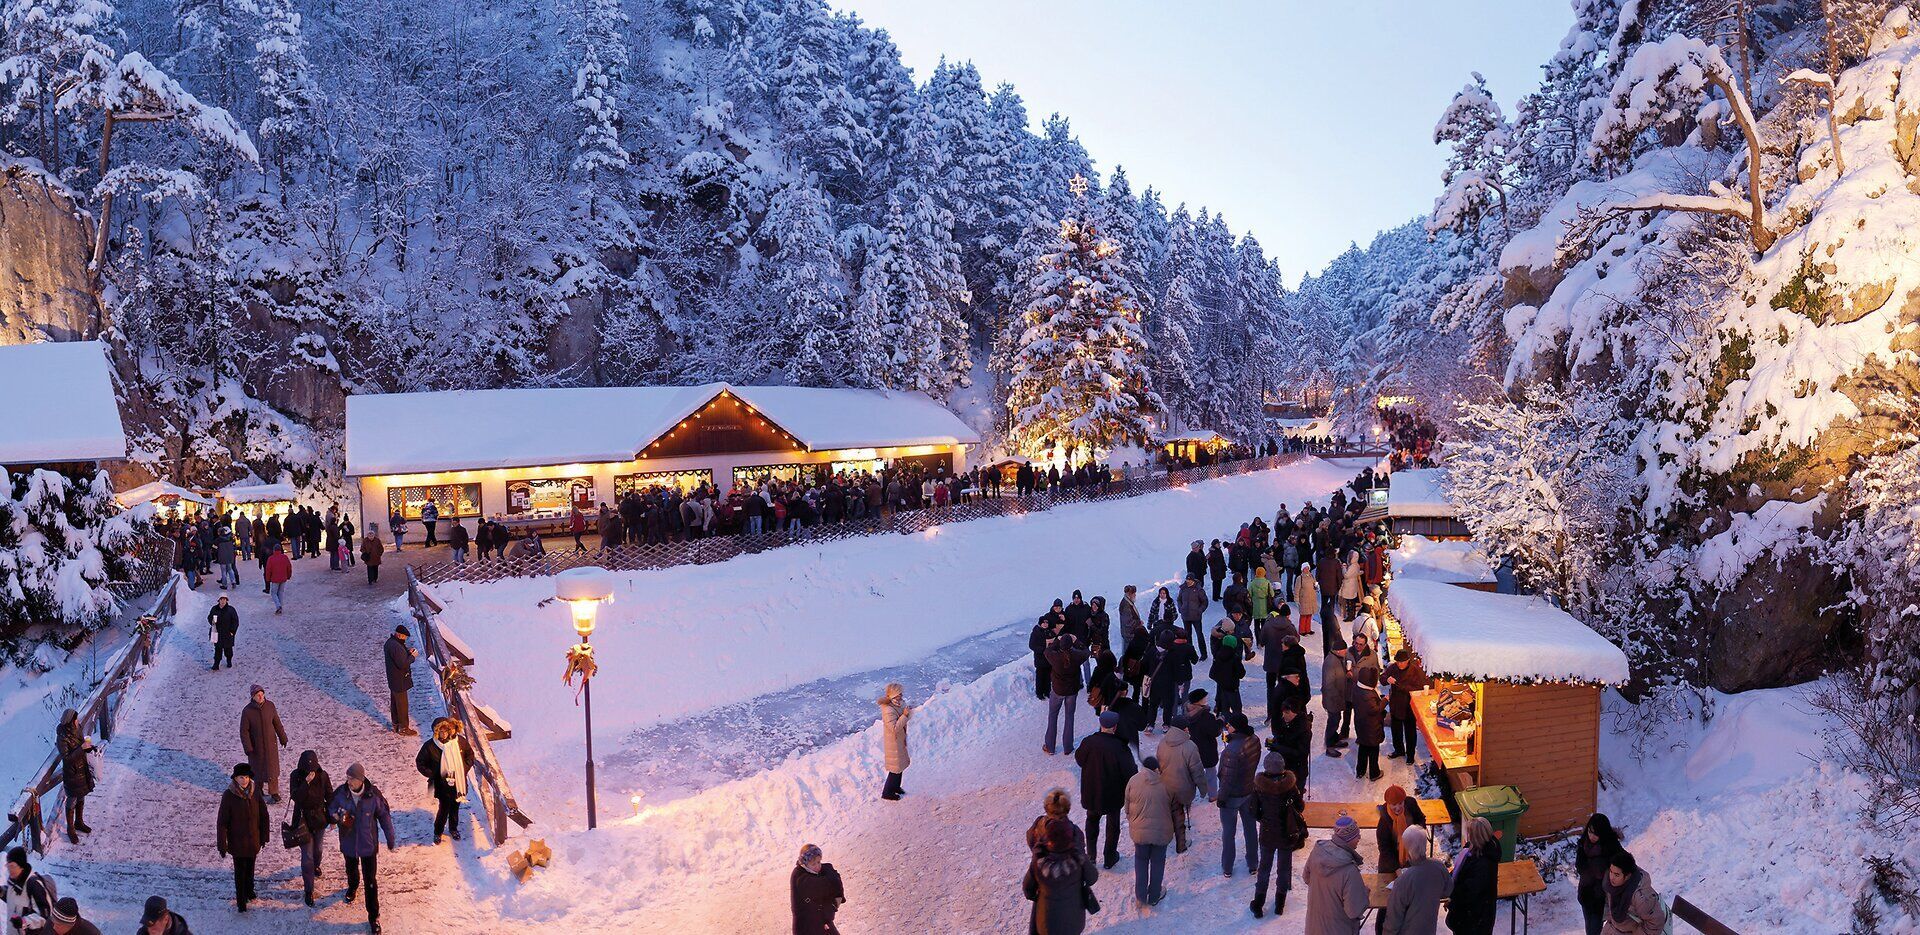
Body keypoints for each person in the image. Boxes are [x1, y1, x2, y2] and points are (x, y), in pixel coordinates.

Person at [329, 763, 397, 933]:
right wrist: (339, 816)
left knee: (370, 881)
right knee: (351, 870)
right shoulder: (341, 793)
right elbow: (330, 809)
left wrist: (390, 837)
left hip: (368, 845)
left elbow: (384, 816)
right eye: (347, 778)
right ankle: (353, 887)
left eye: (351, 778)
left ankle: (374, 917)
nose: (348, 781)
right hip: (349, 843)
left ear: (360, 780)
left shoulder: (373, 795)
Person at [1073, 710, 1136, 870]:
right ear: (1115, 727)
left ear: (1101, 724)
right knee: (1113, 825)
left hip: (1092, 791)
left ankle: (1091, 856)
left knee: (1091, 821)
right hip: (1113, 794)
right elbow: (1131, 772)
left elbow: (1079, 759)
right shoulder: (1119, 747)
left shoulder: (1089, 742)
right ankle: (1109, 857)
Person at [1250, 754, 1305, 919]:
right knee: (1283, 869)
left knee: (1264, 869)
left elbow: (1254, 811)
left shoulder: (1259, 787)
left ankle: (1258, 904)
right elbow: (1300, 807)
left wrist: (1264, 819)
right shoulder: (1290, 786)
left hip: (1267, 834)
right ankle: (1280, 904)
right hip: (1286, 834)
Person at [1023, 819, 1096, 935]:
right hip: (1074, 919)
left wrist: (1039, 897)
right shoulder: (1079, 858)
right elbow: (1092, 878)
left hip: (1047, 923)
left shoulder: (1039, 861)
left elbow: (1028, 889)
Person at [215, 763, 269, 912]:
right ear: (235, 779)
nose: (244, 780)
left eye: (246, 777)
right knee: (240, 872)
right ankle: (241, 901)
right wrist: (222, 844)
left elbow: (263, 815)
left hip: (253, 840)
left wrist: (264, 836)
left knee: (250, 868)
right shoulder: (229, 795)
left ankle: (249, 891)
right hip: (237, 842)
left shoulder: (255, 791)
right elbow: (222, 822)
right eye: (241, 777)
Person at [1304, 815, 1368, 935]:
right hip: (1338, 929)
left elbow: (1306, 877)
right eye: (1356, 835)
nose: (1359, 837)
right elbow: (1354, 911)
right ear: (1348, 839)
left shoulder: (1317, 853)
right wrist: (1364, 892)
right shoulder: (1349, 870)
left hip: (1315, 927)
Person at [1124, 755, 1175, 907]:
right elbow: (1173, 808)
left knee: (1141, 862)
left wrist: (1133, 822)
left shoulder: (1133, 781)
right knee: (1158, 863)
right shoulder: (1166, 784)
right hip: (1161, 832)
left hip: (1140, 833)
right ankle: (1154, 895)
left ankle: (1140, 897)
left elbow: (1127, 807)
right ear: (1156, 769)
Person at [1215, 713, 1260, 878]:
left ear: (1237, 727)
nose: (1227, 726)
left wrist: (1221, 798)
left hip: (1232, 797)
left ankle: (1227, 866)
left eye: (1230, 724)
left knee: (1228, 833)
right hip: (1249, 790)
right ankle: (1253, 863)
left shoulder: (1231, 752)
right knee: (1250, 828)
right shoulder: (1254, 739)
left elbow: (1226, 779)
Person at [415, 718, 473, 843]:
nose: (444, 733)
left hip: (458, 783)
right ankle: (438, 831)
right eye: (441, 731)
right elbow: (420, 762)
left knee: (455, 808)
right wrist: (433, 774)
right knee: (444, 809)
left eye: (446, 730)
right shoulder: (430, 746)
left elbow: (470, 755)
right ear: (436, 732)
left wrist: (463, 769)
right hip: (442, 785)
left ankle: (453, 828)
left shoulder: (459, 742)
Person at [1154, 714, 1205, 854]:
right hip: (1183, 788)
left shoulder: (1162, 743)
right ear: (1184, 729)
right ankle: (1181, 844)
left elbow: (1159, 765)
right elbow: (1197, 771)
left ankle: (1168, 835)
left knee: (1171, 812)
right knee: (1180, 816)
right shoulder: (1190, 746)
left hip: (1166, 786)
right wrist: (1203, 788)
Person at [1382, 826, 1446, 935]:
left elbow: (1393, 918)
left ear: (1407, 849)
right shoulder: (1438, 867)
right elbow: (1447, 890)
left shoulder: (1403, 880)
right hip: (1428, 929)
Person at [289, 750, 333, 906]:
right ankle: (308, 889)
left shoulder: (323, 775)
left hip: (319, 819)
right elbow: (296, 797)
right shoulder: (295, 776)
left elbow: (330, 797)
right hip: (303, 820)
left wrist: (332, 818)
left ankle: (316, 865)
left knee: (318, 849)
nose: (310, 772)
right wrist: (306, 783)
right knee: (307, 855)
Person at [1446, 817, 1501, 935]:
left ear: (1475, 837)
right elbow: (1461, 871)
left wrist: (1453, 899)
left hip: (1474, 920)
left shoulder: (1483, 864)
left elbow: (1468, 892)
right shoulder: (1474, 851)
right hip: (1474, 917)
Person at [1575, 814, 1624, 935]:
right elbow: (1580, 867)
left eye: (1596, 834)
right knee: (1590, 928)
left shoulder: (1611, 847)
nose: (1591, 836)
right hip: (1586, 893)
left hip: (1601, 898)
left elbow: (1627, 864)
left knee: (1594, 931)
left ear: (1603, 833)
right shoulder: (1583, 844)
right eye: (1590, 832)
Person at [239, 685, 288, 803]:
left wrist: (283, 737)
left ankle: (274, 792)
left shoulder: (270, 706)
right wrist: (248, 748)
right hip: (256, 747)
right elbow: (244, 731)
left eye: (262, 694)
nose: (261, 697)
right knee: (257, 770)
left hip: (271, 745)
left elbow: (277, 723)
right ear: (253, 697)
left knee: (272, 770)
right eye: (258, 695)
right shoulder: (247, 711)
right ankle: (258, 790)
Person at [1043, 633, 1090, 755]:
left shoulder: (1055, 657)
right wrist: (1077, 641)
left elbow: (1047, 651)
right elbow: (1086, 652)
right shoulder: (1077, 656)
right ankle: (1068, 747)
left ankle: (1050, 747)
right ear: (1071, 645)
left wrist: (1057, 641)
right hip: (1072, 691)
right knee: (1069, 717)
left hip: (1058, 690)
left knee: (1053, 716)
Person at [1601, 851, 1668, 935]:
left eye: (1616, 875)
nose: (1611, 877)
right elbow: (1609, 905)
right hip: (1612, 929)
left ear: (1627, 876)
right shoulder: (1612, 886)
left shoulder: (1641, 898)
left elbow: (1656, 922)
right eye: (1611, 871)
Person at [55, 710, 93, 844]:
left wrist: (88, 748)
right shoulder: (62, 737)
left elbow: (81, 746)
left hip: (82, 768)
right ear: (71, 721)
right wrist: (81, 748)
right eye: (76, 720)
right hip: (72, 772)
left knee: (82, 795)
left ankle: (79, 822)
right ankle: (70, 829)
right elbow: (66, 758)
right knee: (72, 799)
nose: (78, 721)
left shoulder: (77, 729)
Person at [1386, 649, 1429, 763]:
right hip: (1395, 704)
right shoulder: (1393, 668)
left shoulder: (1415, 670)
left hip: (1409, 706)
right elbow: (1382, 678)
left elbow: (1418, 688)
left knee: (1410, 732)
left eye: (1402, 662)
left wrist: (1398, 685)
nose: (1400, 664)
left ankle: (1410, 755)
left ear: (1408, 660)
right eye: (1398, 662)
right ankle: (1398, 750)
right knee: (1396, 730)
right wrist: (1386, 679)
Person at [791, 843, 844, 934]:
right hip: (806, 927)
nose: (817, 866)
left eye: (819, 862)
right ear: (805, 864)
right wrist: (833, 877)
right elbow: (822, 886)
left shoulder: (817, 871)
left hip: (823, 921)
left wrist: (834, 905)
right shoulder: (800, 877)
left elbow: (837, 888)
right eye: (813, 864)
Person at [1376, 785, 1430, 874]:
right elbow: (1384, 848)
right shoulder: (1384, 821)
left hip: (1412, 852)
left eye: (1400, 803)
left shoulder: (1411, 804)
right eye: (1394, 805)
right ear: (1388, 804)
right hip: (1392, 857)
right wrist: (1396, 868)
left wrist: (1418, 834)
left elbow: (1421, 818)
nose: (1398, 808)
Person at [1025, 788, 1088, 859]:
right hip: (1067, 864)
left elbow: (1030, 839)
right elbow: (1080, 852)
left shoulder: (1039, 823)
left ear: (1046, 808)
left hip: (1043, 863)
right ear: (1067, 809)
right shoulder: (1074, 830)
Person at [5, 847, 56, 934]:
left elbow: (45, 916)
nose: (9, 869)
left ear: (21, 866)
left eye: (12, 866)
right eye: (8, 866)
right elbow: (17, 901)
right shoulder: (14, 882)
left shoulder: (34, 885)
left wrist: (24, 921)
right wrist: (2, 892)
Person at [1351, 668, 1387, 782]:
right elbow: (1375, 710)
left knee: (1363, 747)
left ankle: (1360, 771)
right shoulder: (1368, 695)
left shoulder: (1358, 689)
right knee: (1373, 750)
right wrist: (1385, 700)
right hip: (1371, 727)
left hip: (1361, 724)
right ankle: (1374, 773)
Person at [877, 683, 911, 801]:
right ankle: (887, 793)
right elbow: (894, 728)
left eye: (901, 693)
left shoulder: (897, 704)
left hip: (899, 741)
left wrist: (906, 713)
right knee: (895, 769)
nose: (901, 696)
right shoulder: (888, 710)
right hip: (894, 743)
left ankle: (895, 787)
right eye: (899, 694)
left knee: (899, 767)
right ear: (893, 695)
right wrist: (905, 715)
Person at [384, 625, 418, 736]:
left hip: (393, 679)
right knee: (402, 705)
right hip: (400, 680)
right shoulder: (396, 646)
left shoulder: (390, 643)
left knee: (395, 702)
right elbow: (402, 664)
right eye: (404, 637)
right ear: (399, 635)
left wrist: (407, 652)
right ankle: (403, 728)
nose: (405, 639)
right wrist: (412, 656)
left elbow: (398, 657)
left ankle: (396, 724)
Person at [1321, 641, 1352, 757]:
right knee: (1333, 721)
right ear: (1338, 651)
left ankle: (1334, 739)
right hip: (1333, 699)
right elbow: (1328, 684)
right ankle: (1329, 746)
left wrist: (1345, 675)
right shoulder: (1331, 662)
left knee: (1336, 719)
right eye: (1344, 650)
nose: (1346, 652)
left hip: (1336, 698)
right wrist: (1337, 698)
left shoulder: (1337, 659)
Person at [22, 896, 97, 935]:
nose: (54, 927)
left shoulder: (90, 932)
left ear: (70, 925)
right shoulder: (50, 924)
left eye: (58, 925)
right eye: (53, 921)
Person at [1176, 574, 1209, 660]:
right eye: (1187, 580)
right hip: (1185, 616)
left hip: (1196, 616)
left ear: (1193, 580)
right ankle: (1190, 654)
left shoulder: (1198, 589)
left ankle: (1204, 654)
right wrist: (1180, 608)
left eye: (1190, 580)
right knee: (1187, 636)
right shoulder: (1183, 588)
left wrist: (1200, 610)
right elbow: (1179, 599)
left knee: (1199, 635)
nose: (1188, 581)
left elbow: (1205, 602)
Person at [207, 596, 239, 671]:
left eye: (224, 599)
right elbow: (209, 617)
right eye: (221, 599)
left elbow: (235, 621)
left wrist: (232, 631)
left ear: (227, 600)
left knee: (228, 649)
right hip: (217, 632)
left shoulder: (231, 609)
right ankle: (216, 664)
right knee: (217, 649)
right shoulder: (214, 609)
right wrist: (212, 621)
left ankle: (229, 660)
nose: (223, 601)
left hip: (228, 633)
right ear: (218, 600)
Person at [263, 544, 291, 615]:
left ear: (273, 550)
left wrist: (267, 579)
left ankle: (278, 606)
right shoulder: (285, 557)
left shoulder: (271, 558)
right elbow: (289, 567)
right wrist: (288, 576)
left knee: (273, 593)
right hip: (283, 578)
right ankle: (280, 607)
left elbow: (268, 570)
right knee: (280, 592)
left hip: (275, 579)